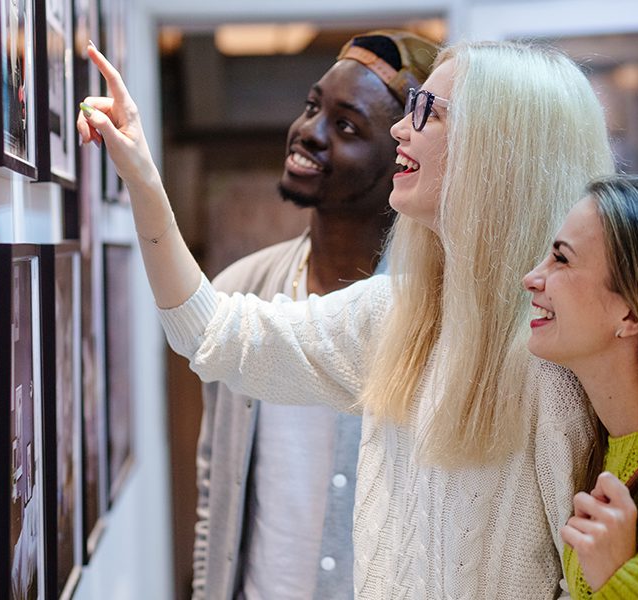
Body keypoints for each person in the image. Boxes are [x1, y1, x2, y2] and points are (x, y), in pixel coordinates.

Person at [77, 40, 615, 597]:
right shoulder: (396, 316)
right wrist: (141, 175)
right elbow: (210, 334)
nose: (402, 130)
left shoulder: (561, 365)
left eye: (428, 112)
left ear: (499, 150)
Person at [193, 31, 437, 600]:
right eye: (312, 106)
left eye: (347, 125)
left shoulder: (434, 313)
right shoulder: (240, 293)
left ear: (402, 155)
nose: (308, 132)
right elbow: (217, 485)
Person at [523, 174, 638, 598]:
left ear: (632, 315)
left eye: (561, 260)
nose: (532, 277)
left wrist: (624, 575)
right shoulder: (600, 441)